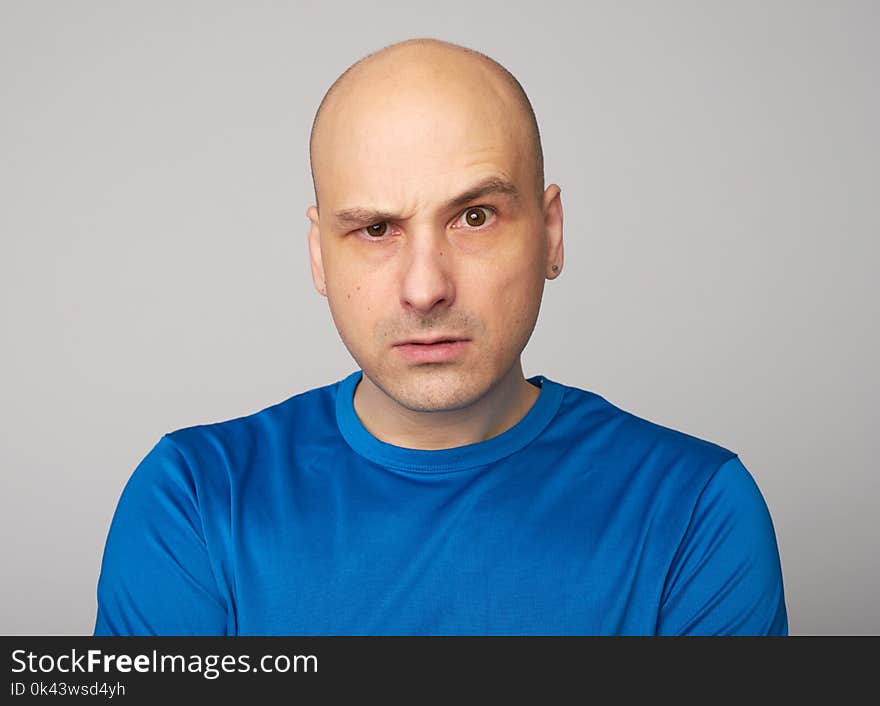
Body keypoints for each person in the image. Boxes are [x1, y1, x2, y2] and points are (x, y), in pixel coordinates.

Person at [93, 37, 788, 636]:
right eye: (375, 229)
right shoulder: (194, 499)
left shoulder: (696, 509)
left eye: (476, 217)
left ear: (551, 233)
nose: (425, 288)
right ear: (318, 257)